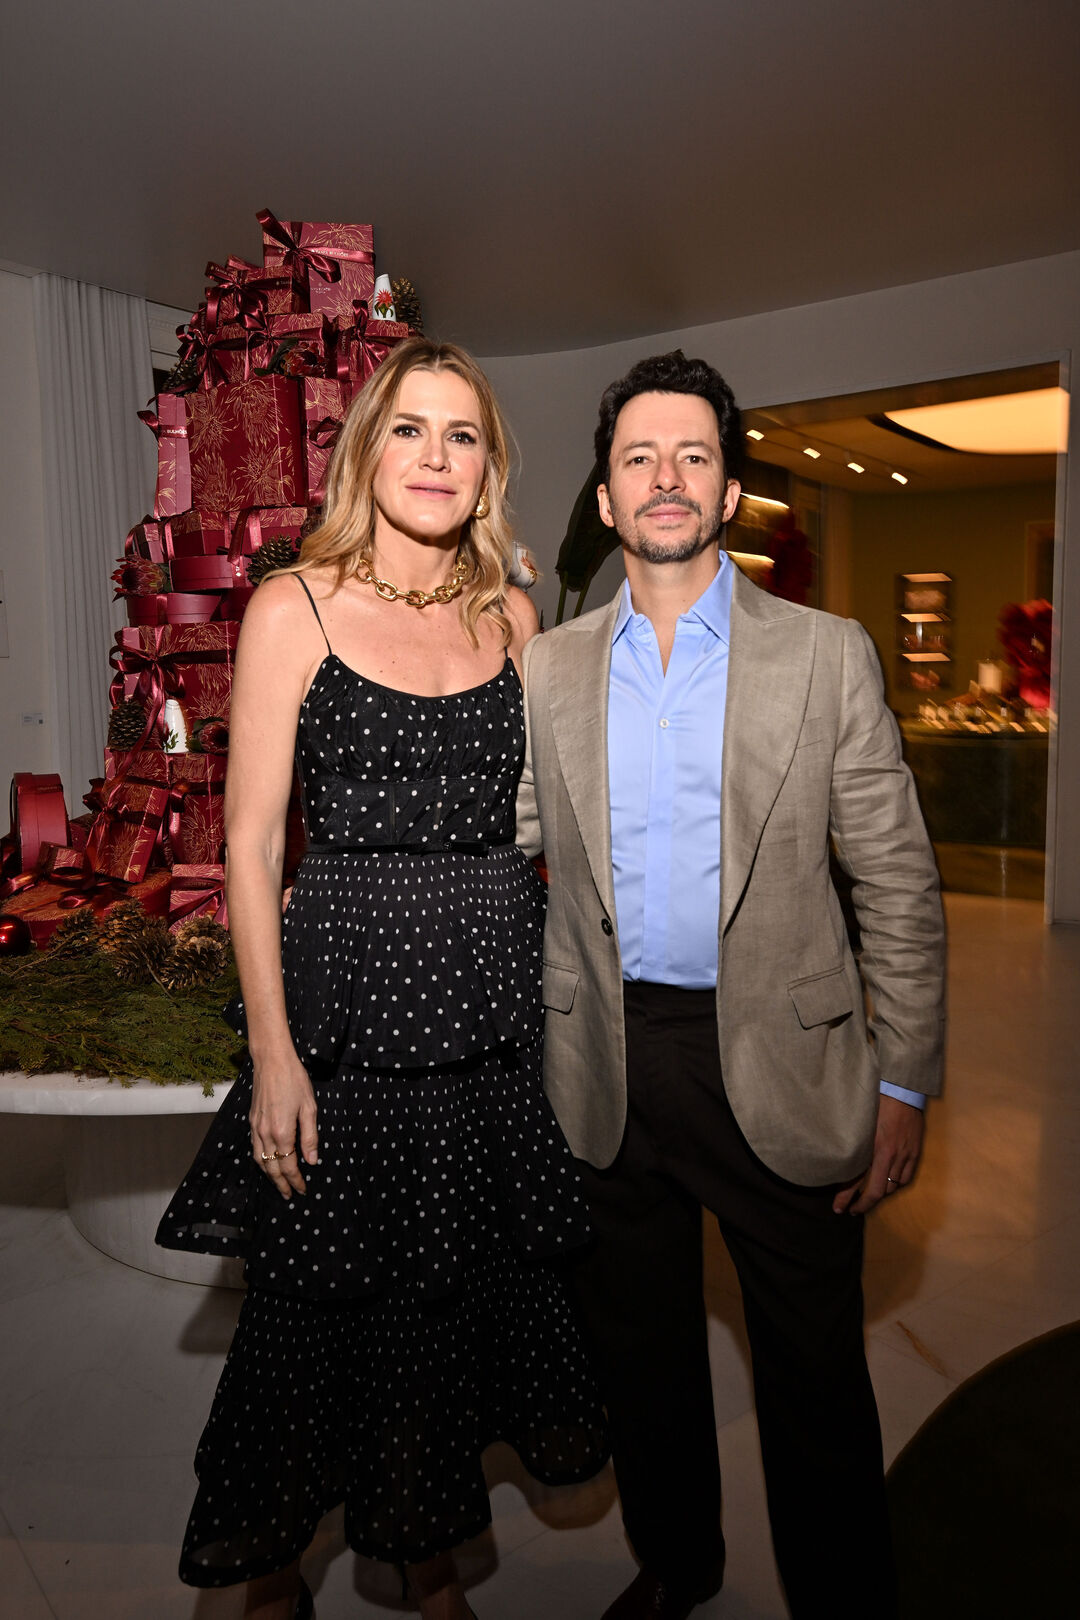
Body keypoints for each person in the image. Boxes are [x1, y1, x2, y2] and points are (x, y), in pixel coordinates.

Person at [157, 337, 608, 1620]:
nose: (434, 456)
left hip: (485, 1000)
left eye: (462, 435)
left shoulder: (512, 616)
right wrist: (274, 1052)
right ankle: (272, 1566)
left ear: (489, 467)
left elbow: (545, 819)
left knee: (446, 1296)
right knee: (312, 1298)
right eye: (409, 428)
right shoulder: (291, 607)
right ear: (367, 451)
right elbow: (252, 847)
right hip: (347, 1002)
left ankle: (422, 1547)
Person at [515, 350, 945, 1620]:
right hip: (608, 1062)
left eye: (693, 455)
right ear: (606, 496)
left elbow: (896, 879)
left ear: (729, 489)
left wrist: (905, 1078)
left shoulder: (825, 655)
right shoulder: (548, 669)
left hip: (782, 1056)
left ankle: (842, 1595)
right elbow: (513, 841)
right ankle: (678, 1565)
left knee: (814, 1375)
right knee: (643, 1359)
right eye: (640, 457)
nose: (667, 477)